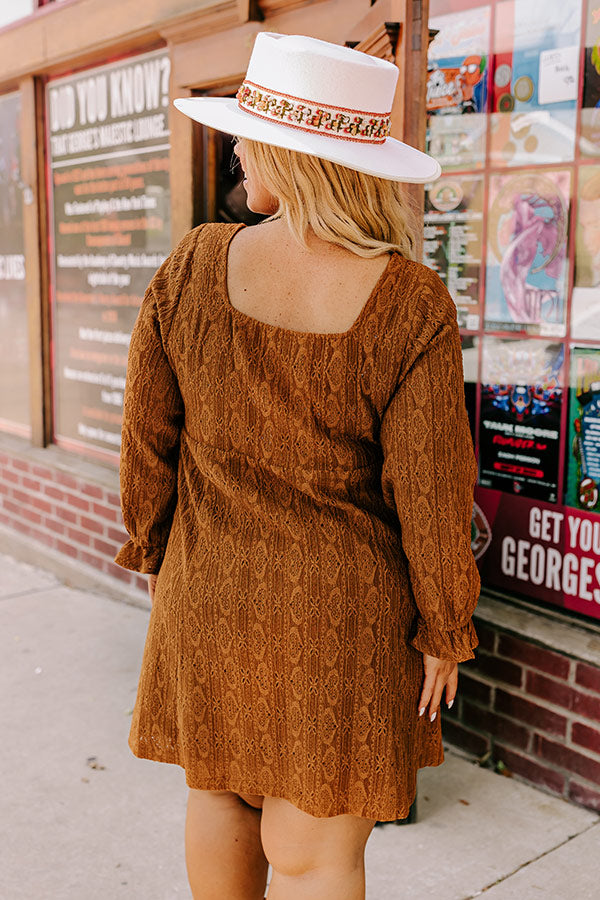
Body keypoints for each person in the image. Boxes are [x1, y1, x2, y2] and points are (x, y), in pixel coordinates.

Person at [115, 31, 480, 900]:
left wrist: (156, 551)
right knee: (315, 857)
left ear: (293, 154)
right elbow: (432, 489)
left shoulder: (193, 267)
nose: (236, 148)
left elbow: (146, 443)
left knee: (220, 808)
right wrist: (445, 625)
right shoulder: (408, 300)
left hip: (211, 596)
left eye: (248, 134)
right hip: (341, 626)